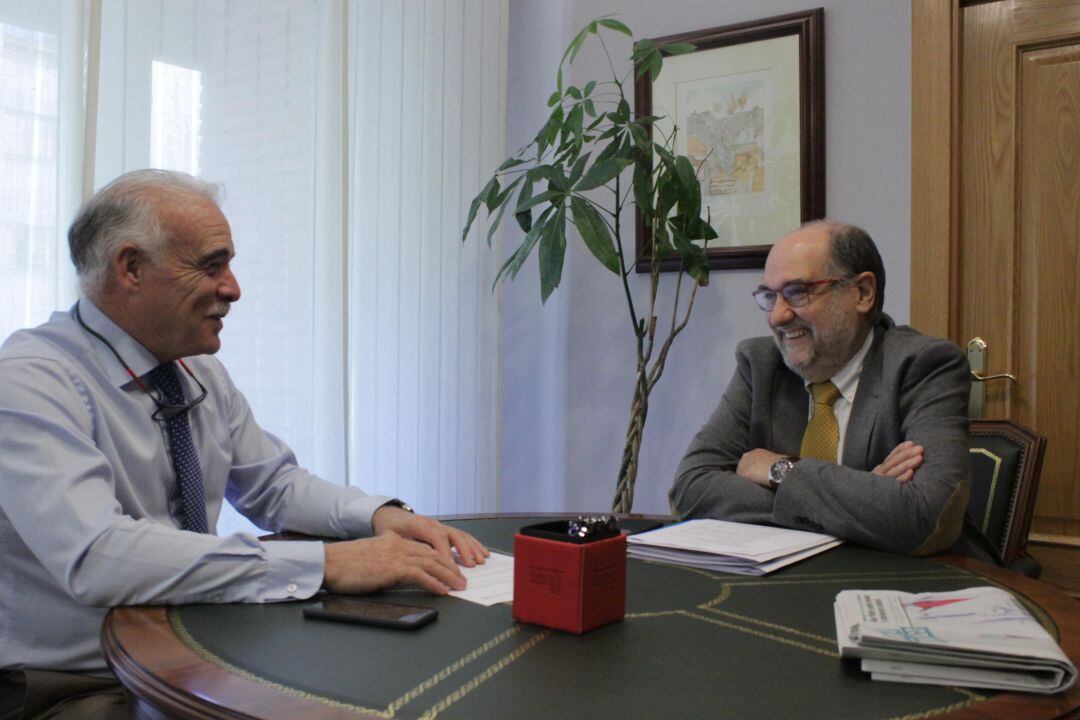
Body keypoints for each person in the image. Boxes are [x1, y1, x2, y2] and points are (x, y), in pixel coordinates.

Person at [0, 169, 488, 719]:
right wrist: (326, 563)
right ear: (131, 267)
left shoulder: (196, 370)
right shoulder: (30, 381)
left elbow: (274, 486)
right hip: (78, 683)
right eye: (211, 266)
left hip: (192, 652)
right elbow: (97, 556)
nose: (233, 288)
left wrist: (377, 516)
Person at [671, 220, 973, 556]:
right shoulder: (759, 364)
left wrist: (780, 470)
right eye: (770, 296)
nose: (777, 316)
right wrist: (861, 500)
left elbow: (927, 516)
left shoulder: (925, 365)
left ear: (863, 292)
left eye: (798, 292)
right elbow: (691, 488)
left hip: (905, 578)